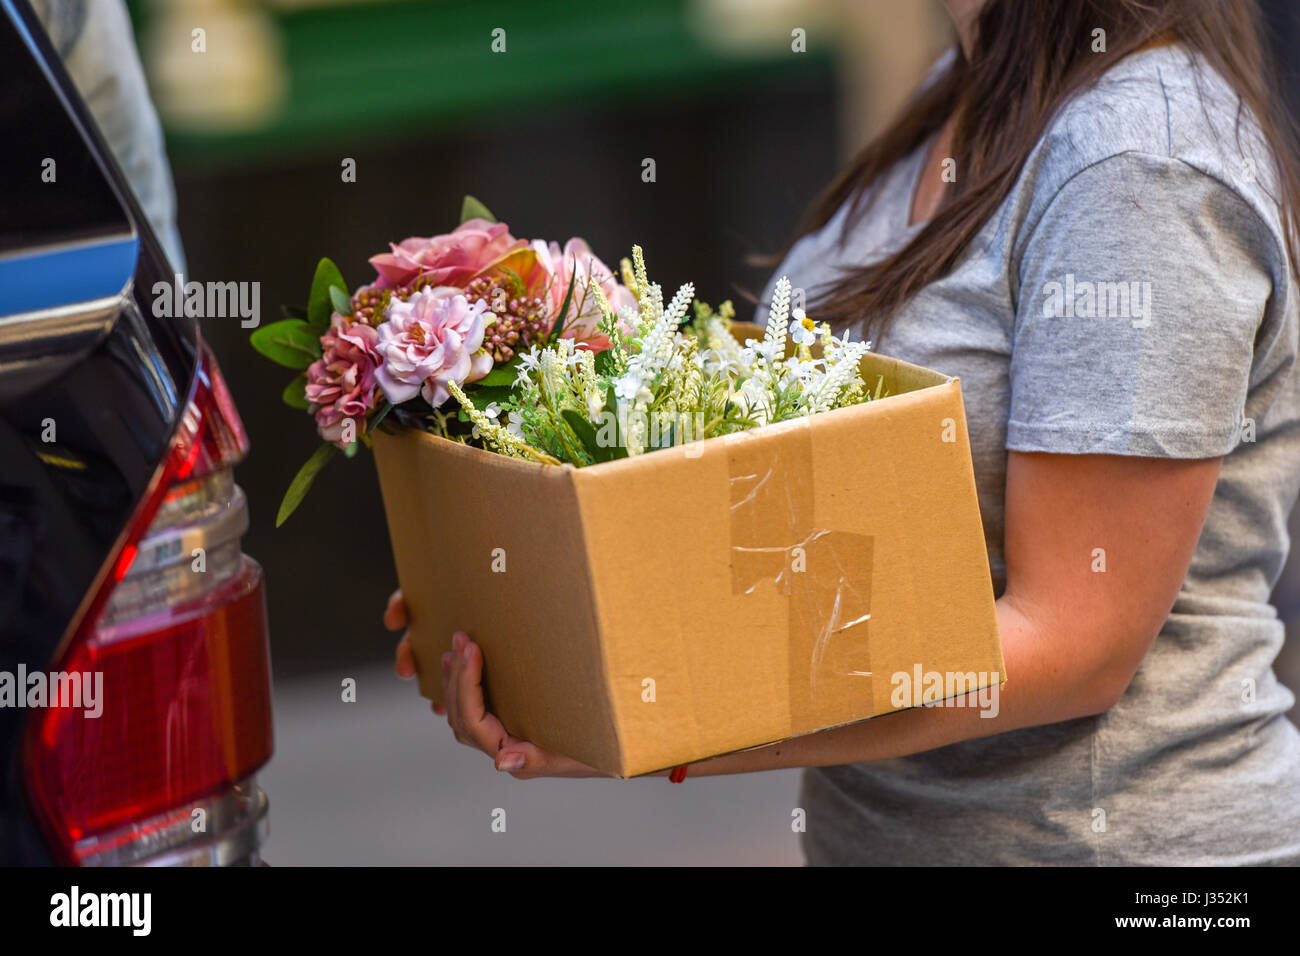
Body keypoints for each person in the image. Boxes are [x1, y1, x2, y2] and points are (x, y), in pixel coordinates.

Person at [386, 0, 1300, 865]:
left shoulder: (1139, 162)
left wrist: (641, 714)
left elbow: (1074, 646)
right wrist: (556, 598)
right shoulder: (973, 81)